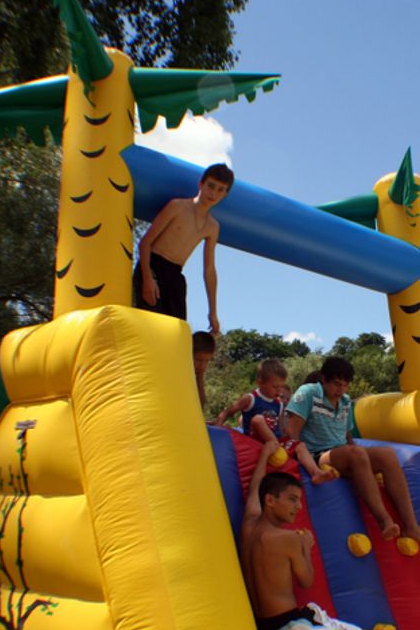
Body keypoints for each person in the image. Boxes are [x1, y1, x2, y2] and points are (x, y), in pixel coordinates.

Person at [241, 466, 378, 630]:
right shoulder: (287, 539)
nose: (298, 507)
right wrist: (306, 547)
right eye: (292, 499)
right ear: (270, 501)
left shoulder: (248, 527)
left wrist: (264, 455)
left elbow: (255, 490)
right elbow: (306, 580)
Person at [284, 357, 420, 547]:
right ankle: (385, 521)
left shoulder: (346, 402)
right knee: (355, 454)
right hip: (318, 454)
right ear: (323, 379)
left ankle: (412, 526)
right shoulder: (309, 392)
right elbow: (292, 432)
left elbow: (347, 436)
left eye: (345, 385)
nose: (340, 390)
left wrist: (362, 462)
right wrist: (297, 458)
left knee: (387, 455)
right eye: (336, 384)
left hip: (342, 452)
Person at [133, 163, 234, 334]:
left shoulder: (212, 226)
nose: (213, 193)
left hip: (176, 274)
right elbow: (145, 243)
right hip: (154, 266)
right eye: (211, 186)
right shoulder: (178, 207)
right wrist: (147, 279)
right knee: (148, 328)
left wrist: (213, 312)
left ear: (225, 195)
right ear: (201, 184)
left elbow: (209, 269)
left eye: (220, 189)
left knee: (176, 333)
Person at [214, 359, 335, 484]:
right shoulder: (250, 398)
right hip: (255, 440)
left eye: (281, 386)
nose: (279, 391)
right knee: (258, 419)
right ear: (260, 382)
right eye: (275, 386)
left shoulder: (279, 404)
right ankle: (275, 446)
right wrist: (218, 424)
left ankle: (316, 473)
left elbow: (281, 428)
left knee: (300, 445)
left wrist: (290, 440)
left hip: (276, 442)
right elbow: (229, 411)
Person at [192, 331, 215, 412]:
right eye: (198, 360)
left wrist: (200, 375)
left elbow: (200, 407)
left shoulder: (198, 372)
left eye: (207, 361)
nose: (202, 365)